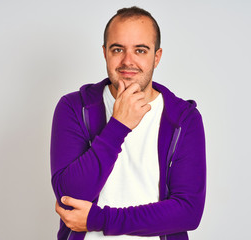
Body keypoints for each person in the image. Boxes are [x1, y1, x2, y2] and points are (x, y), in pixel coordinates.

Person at [50, 6, 206, 240]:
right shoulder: (74, 108)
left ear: (157, 56)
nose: (127, 61)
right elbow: (69, 196)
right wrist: (118, 125)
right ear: (105, 53)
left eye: (140, 50)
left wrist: (98, 219)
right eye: (117, 49)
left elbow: (187, 212)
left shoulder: (183, 119)